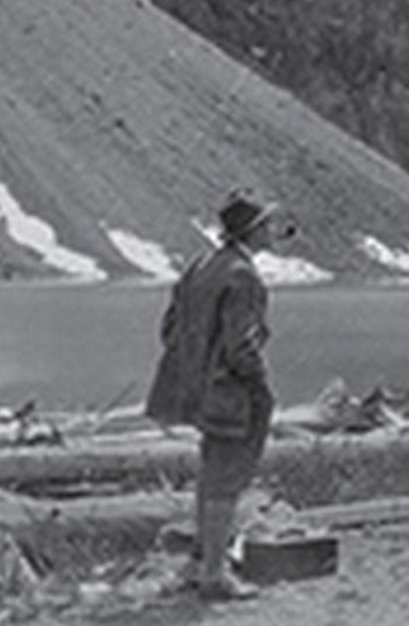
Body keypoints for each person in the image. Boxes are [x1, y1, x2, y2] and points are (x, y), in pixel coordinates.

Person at [146, 190, 285, 601]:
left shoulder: (200, 264)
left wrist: (194, 368)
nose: (273, 232)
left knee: (210, 474)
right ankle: (214, 575)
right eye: (267, 225)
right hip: (230, 393)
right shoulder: (244, 275)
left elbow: (169, 329)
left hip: (195, 390)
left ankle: (200, 562)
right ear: (254, 230)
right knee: (227, 479)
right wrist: (260, 387)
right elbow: (242, 347)